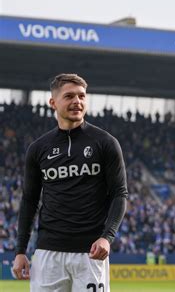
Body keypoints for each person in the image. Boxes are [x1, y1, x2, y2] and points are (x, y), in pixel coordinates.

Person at [12, 73, 128, 292]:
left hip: (90, 253)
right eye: (69, 96)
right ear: (53, 102)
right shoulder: (38, 148)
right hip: (48, 254)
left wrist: (107, 237)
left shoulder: (106, 143)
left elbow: (119, 194)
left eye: (82, 96)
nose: (78, 101)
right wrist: (20, 251)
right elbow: (29, 200)